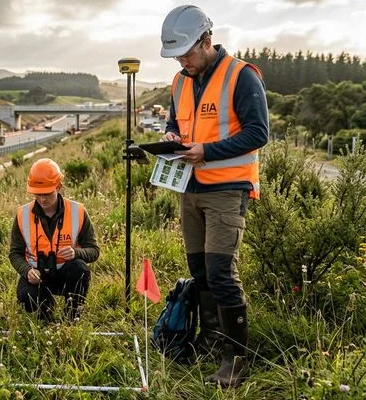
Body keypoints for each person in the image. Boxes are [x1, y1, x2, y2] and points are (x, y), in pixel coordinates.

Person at [159, 5, 268, 388]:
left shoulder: (242, 76)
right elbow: (176, 122)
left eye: (187, 53)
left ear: (207, 40)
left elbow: (259, 133)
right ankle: (210, 342)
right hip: (189, 188)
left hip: (227, 189)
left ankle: (235, 360)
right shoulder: (179, 81)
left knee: (222, 273)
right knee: (200, 272)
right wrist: (172, 136)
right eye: (176, 56)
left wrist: (207, 151)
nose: (182, 61)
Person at [9, 158, 99, 323]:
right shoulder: (23, 214)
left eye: (47, 193)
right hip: (37, 275)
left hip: (66, 274)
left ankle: (72, 316)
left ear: (59, 186)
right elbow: (15, 253)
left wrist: (76, 253)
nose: (42, 199)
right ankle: (46, 312)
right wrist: (26, 270)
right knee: (25, 297)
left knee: (79, 268)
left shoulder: (77, 211)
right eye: (38, 194)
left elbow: (94, 251)